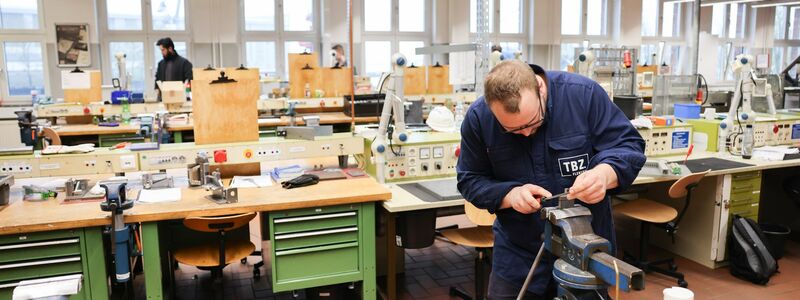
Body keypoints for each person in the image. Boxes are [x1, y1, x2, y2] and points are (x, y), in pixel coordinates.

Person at [456, 60, 646, 299]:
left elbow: (628, 145)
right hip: (518, 256)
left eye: (532, 122)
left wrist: (605, 174)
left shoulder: (583, 96)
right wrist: (509, 195)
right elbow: (469, 180)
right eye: (513, 130)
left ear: (540, 87)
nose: (525, 132)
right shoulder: (479, 118)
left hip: (584, 252)